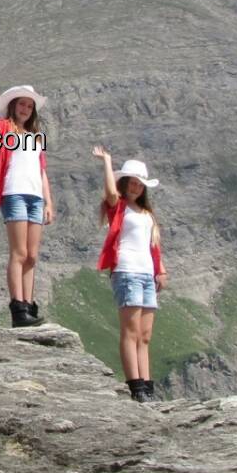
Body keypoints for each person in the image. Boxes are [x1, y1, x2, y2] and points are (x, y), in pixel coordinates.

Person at [0, 81, 56, 327]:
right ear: (13, 106)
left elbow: (42, 171)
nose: (25, 109)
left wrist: (48, 201)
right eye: (22, 104)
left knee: (32, 256)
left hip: (35, 197)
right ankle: (18, 307)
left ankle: (29, 304)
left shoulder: (35, 137)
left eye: (30, 106)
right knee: (19, 252)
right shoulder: (5, 128)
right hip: (15, 193)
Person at [93, 147, 167, 403]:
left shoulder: (146, 214)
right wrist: (108, 162)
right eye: (132, 183)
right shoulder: (119, 207)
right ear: (124, 183)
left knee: (145, 335)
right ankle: (135, 386)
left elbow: (153, 246)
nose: (135, 187)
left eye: (139, 184)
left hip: (146, 272)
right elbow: (111, 193)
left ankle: (147, 385)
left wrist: (160, 270)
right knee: (131, 331)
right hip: (127, 270)